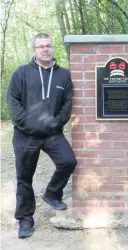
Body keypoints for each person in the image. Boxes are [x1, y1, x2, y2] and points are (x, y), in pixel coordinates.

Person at [7, 33, 77, 239]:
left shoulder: (63, 75)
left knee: (68, 161)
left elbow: (67, 103)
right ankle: (25, 219)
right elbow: (13, 101)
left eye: (48, 46)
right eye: (40, 47)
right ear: (34, 50)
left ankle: (53, 193)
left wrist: (56, 123)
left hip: (52, 133)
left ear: (52, 48)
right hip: (25, 135)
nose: (45, 49)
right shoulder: (21, 73)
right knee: (24, 178)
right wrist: (27, 124)